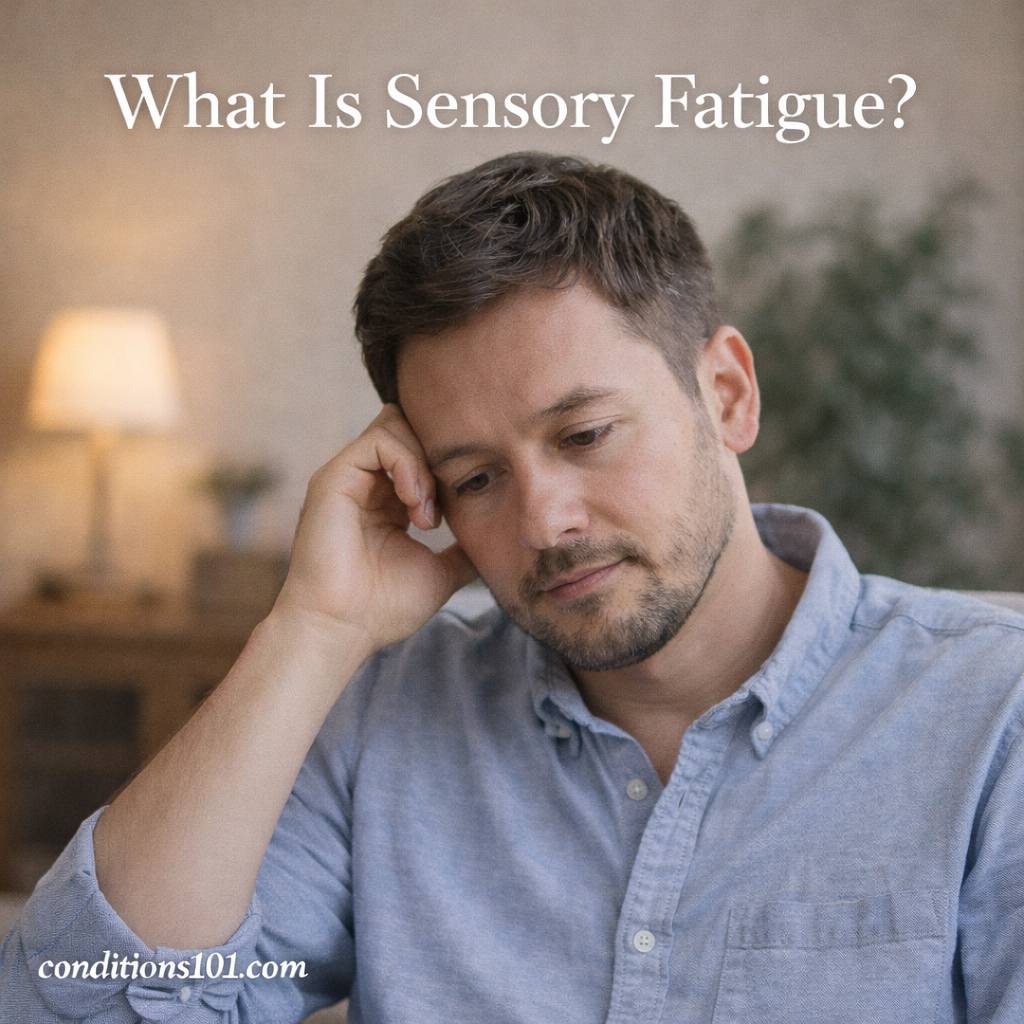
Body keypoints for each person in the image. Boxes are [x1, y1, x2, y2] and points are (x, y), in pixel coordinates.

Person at [3, 152, 1024, 1024]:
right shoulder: (387, 716)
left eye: (584, 436)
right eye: (475, 477)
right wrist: (310, 629)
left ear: (726, 394)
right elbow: (80, 1003)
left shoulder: (993, 715)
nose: (543, 523)